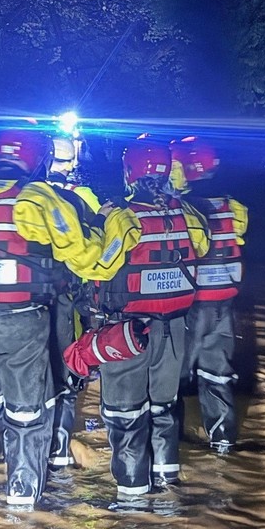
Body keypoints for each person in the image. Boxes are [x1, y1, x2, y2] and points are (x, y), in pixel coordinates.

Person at [0, 122, 138, 507]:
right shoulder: (39, 199)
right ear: (38, 158)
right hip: (23, 320)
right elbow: (94, 262)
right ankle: (22, 516)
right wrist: (120, 224)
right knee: (27, 415)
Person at [87, 137, 210, 501]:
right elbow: (200, 247)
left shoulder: (124, 219)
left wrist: (100, 220)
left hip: (129, 332)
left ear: (130, 173)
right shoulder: (189, 215)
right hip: (173, 328)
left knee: (125, 414)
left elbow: (101, 264)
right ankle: (168, 487)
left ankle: (133, 500)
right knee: (164, 407)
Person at [169, 136, 249, 454]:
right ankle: (223, 445)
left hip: (189, 307)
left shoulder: (180, 209)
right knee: (217, 376)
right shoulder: (234, 207)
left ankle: (170, 451)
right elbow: (238, 234)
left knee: (170, 379)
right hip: (224, 306)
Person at [45, 134, 104, 469]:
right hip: (69, 296)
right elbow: (99, 241)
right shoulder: (81, 196)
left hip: (29, 299)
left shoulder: (29, 197)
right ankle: (61, 449)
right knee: (69, 371)